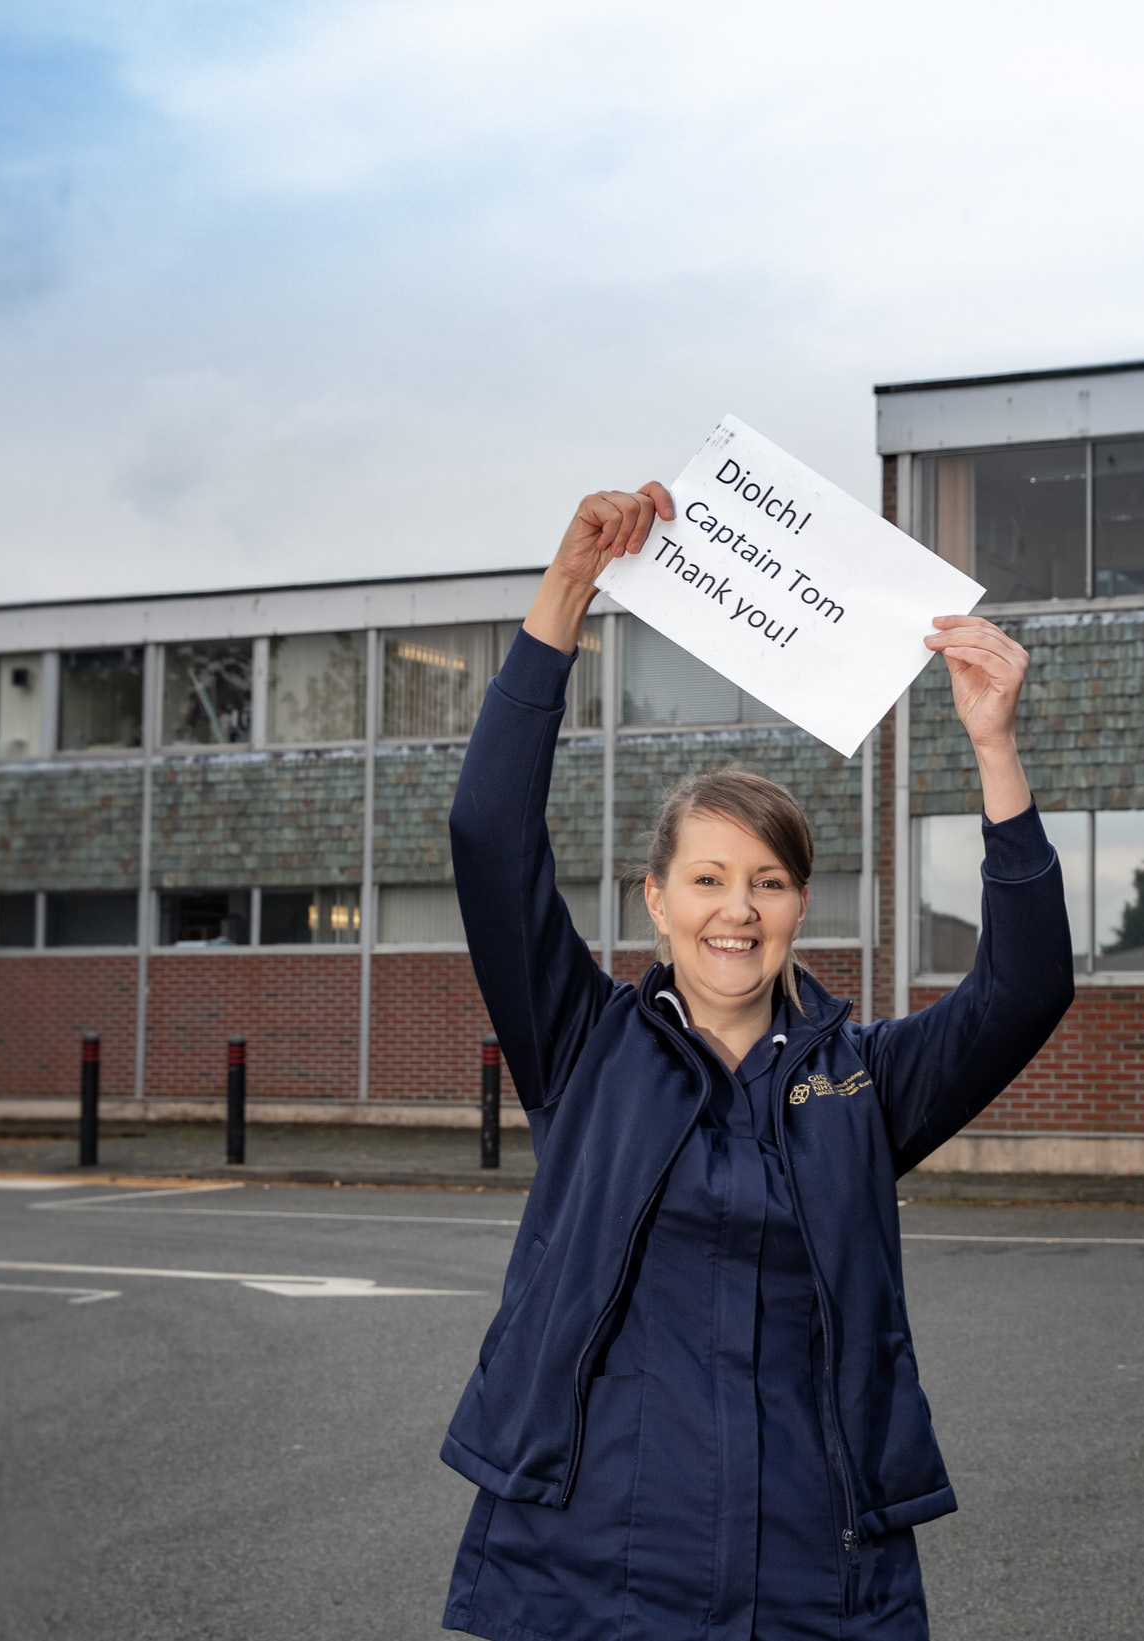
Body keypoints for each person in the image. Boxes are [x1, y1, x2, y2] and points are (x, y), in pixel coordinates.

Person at [439, 480, 1075, 1640]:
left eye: (769, 882)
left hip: (812, 1560)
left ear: (799, 907)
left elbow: (1024, 989)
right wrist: (567, 591)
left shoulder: (865, 1083)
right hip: (588, 1552)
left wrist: (993, 747)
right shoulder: (583, 1047)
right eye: (709, 880)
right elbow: (489, 837)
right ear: (656, 900)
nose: (739, 911)